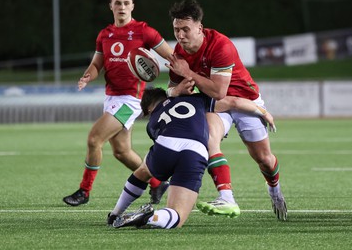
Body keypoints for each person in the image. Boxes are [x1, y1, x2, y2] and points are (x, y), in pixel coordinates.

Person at [165, 0, 287, 220]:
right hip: (217, 105)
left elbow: (219, 90)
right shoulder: (179, 53)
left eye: (185, 29)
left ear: (199, 28)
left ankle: (274, 188)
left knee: (264, 159)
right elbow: (173, 88)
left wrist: (189, 74)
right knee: (209, 138)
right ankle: (227, 198)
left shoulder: (220, 45)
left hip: (244, 100)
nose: (180, 35)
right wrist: (175, 91)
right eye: (176, 30)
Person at [107, 86, 276, 229]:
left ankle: (115, 214)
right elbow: (235, 102)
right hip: (195, 152)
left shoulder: (151, 123)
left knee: (143, 171)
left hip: (167, 146)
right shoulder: (198, 99)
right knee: (177, 216)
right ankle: (151, 218)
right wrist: (264, 112)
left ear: (149, 109)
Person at [62, 0, 173, 206]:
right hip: (111, 98)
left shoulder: (144, 31)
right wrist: (87, 76)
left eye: (126, 3)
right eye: (118, 3)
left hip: (131, 100)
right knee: (122, 152)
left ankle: (84, 191)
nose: (122, 7)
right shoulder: (105, 34)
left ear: (132, 6)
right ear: (110, 6)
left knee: (94, 139)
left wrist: (183, 75)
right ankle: (158, 182)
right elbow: (96, 64)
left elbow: (171, 55)